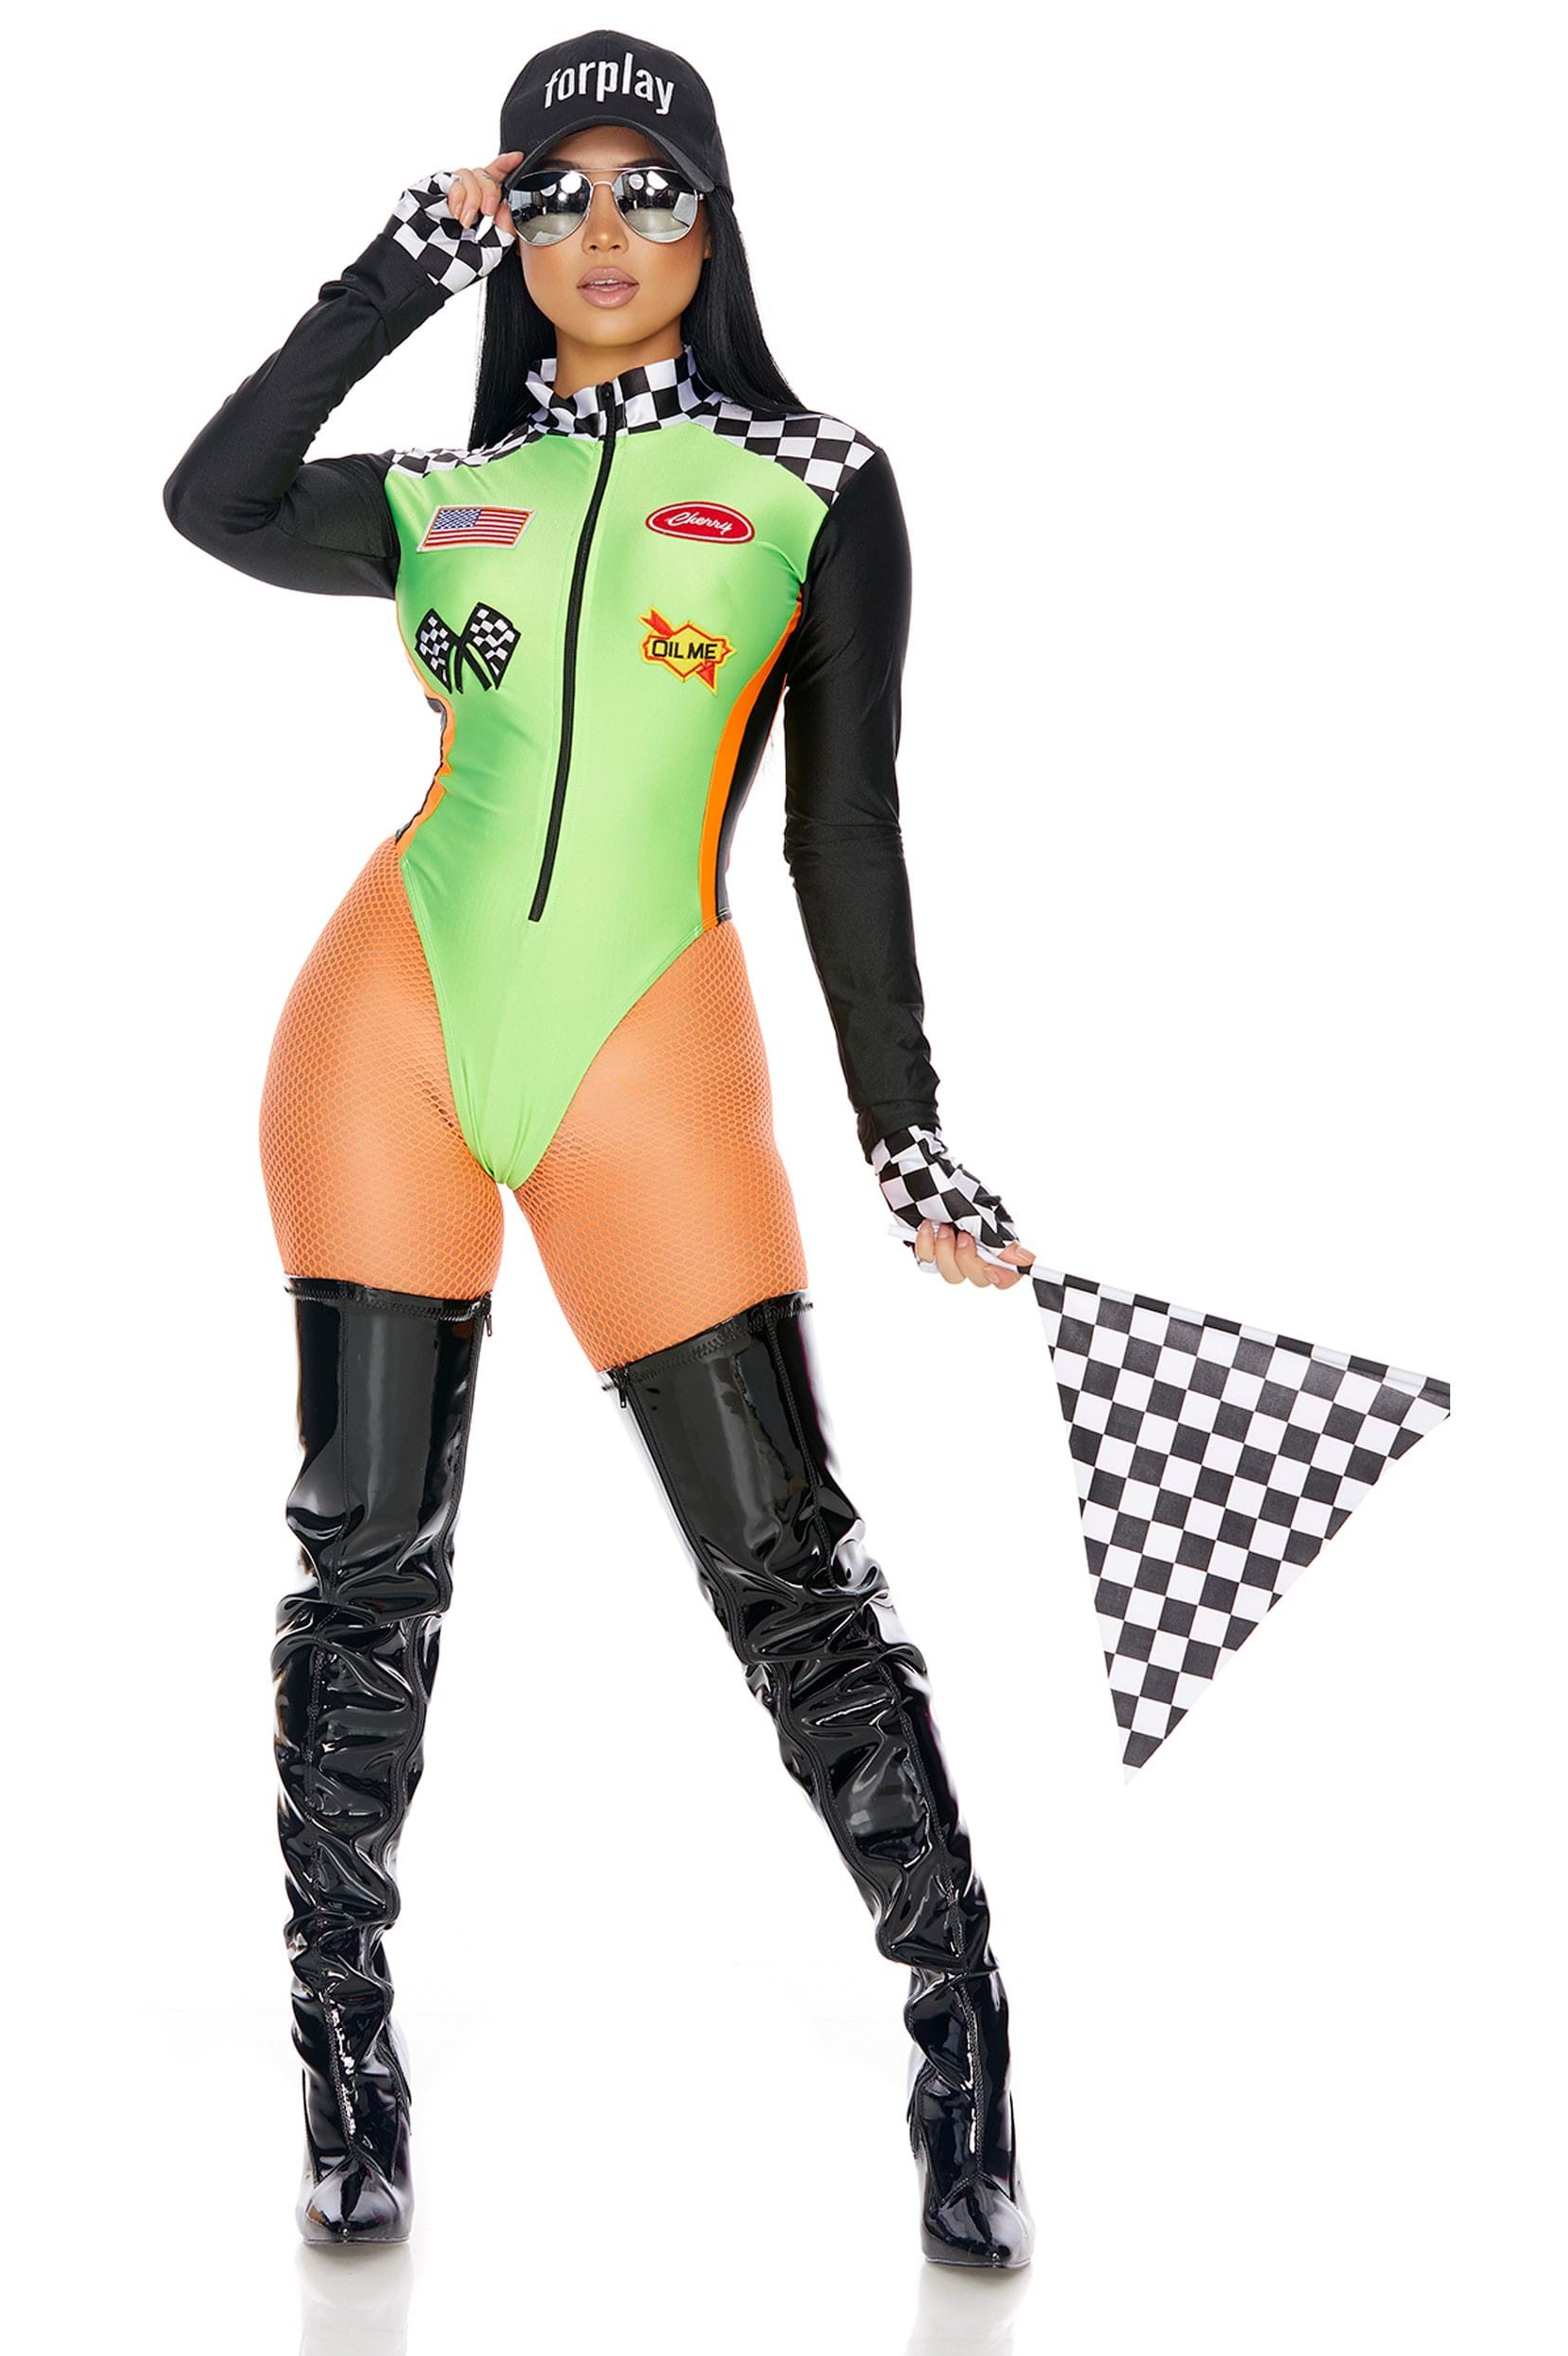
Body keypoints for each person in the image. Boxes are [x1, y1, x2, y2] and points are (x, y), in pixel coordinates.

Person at [163, 27, 1037, 2269]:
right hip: (385, 1029)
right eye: (556, 190)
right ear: (510, 230)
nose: (607, 229)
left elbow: (843, 826)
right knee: (365, 1565)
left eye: (655, 186)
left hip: (651, 1058)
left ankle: (963, 2042)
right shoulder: (445, 491)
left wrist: (905, 1130)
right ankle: (343, 2057)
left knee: (788, 1570)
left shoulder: (815, 481)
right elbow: (211, 497)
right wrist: (390, 267)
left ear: (715, 224)